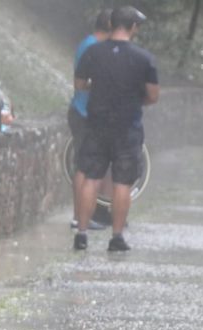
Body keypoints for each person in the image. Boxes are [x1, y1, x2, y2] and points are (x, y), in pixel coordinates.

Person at [72, 5, 159, 252]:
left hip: (97, 124)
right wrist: (134, 98)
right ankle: (116, 237)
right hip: (127, 127)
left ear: (112, 25)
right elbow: (153, 95)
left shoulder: (94, 52)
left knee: (91, 176)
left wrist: (99, 90)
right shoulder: (143, 59)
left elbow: (79, 83)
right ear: (132, 27)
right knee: (123, 182)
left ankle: (81, 233)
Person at [67, 9, 112, 231]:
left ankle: (90, 213)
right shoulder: (91, 46)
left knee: (91, 166)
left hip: (90, 114)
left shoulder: (93, 44)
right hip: (83, 113)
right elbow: (81, 82)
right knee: (83, 167)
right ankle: (78, 218)